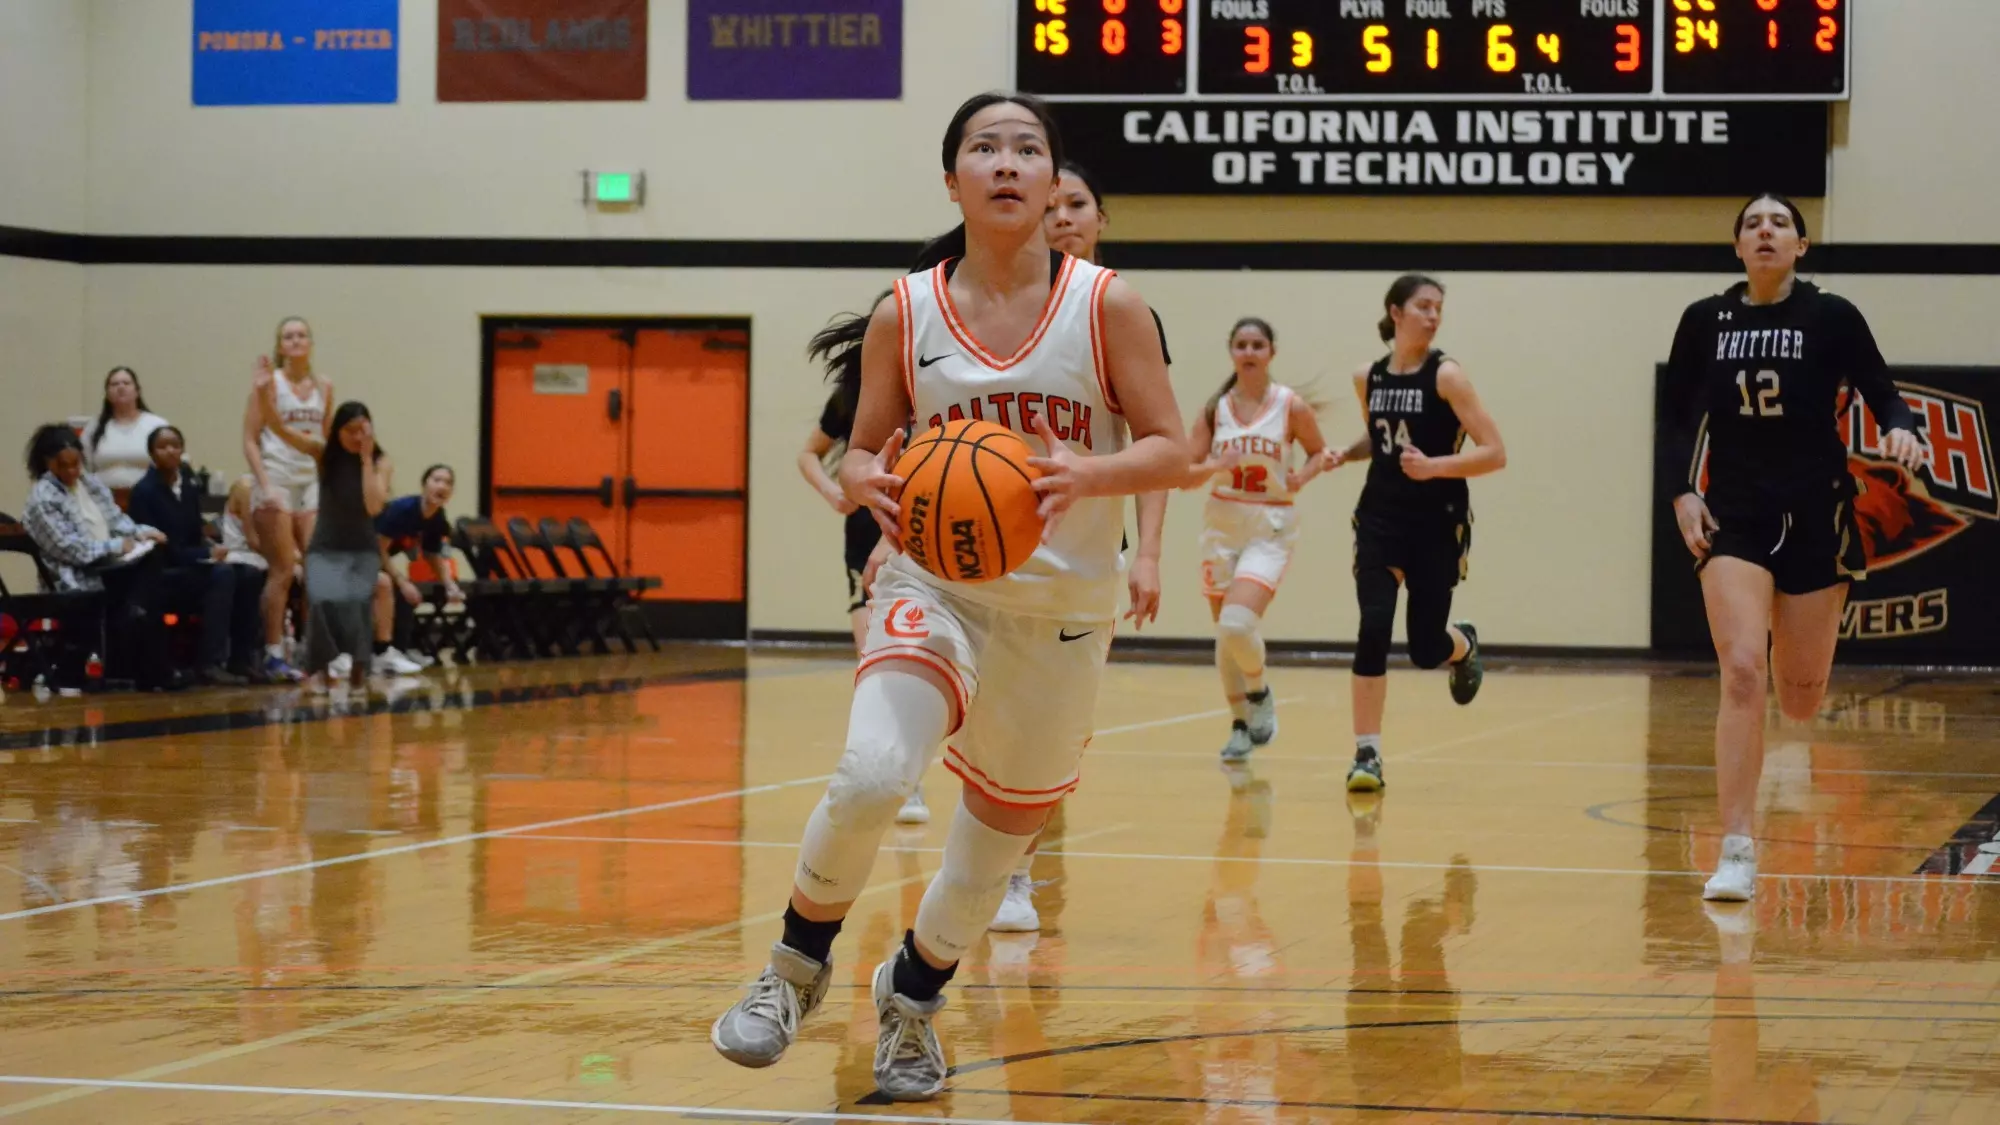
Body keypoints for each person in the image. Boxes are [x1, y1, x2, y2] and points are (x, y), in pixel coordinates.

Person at [709, 91, 1188, 1102]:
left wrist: (1088, 475)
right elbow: (859, 451)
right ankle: (792, 968)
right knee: (874, 772)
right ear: (952, 180)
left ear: (1056, 183)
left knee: (983, 862)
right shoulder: (906, 308)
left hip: (1061, 612)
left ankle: (912, 996)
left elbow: (1173, 449)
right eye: (985, 148)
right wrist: (861, 481)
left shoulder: (1108, 305)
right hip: (936, 585)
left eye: (1026, 149)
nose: (1007, 164)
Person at [1663, 193, 1926, 902]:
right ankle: (1738, 848)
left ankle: (1798, 676)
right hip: (1736, 516)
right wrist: (1683, 492)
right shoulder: (1705, 321)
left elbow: (1883, 393)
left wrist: (1903, 430)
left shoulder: (1831, 315)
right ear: (1738, 248)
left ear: (1801, 246)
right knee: (1744, 671)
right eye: (1753, 223)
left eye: (1780, 222)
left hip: (1816, 514)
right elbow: (1678, 418)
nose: (1766, 230)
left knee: (1801, 697)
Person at [970, 159, 1175, 934]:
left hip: (1079, 556)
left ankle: (1016, 875)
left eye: (1076, 204)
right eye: (1049, 206)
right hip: (981, 542)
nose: (1060, 218)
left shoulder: (1122, 312)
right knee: (986, 720)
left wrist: (1149, 552)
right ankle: (989, 865)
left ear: (1100, 218)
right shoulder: (992, 300)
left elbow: (1157, 445)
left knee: (1041, 728)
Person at [1339, 274, 1507, 793]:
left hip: (1436, 522)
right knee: (1373, 626)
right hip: (1381, 518)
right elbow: (1383, 437)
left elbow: (1494, 452)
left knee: (1424, 649)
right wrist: (1345, 453)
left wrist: (1434, 467)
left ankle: (1462, 645)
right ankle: (1367, 755)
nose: (1433, 316)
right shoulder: (1368, 376)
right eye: (1423, 307)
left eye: (1439, 308)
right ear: (1396, 312)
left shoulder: (1447, 376)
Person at [1175, 317, 1336, 762]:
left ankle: (1260, 692)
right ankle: (1240, 725)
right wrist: (1213, 465)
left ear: (1271, 353)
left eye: (1257, 345)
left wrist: (1300, 476)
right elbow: (1186, 474)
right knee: (1226, 636)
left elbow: (1319, 451)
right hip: (1222, 521)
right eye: (1242, 345)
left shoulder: (1290, 405)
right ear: (1232, 353)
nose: (1249, 352)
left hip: (1271, 523)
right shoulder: (1215, 409)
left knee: (1237, 624)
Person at [799, 301, 934, 828]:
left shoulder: (942, 386)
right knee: (873, 655)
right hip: (865, 535)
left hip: (924, 535)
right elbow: (808, 453)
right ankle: (905, 780)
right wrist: (835, 492)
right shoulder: (854, 396)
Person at [255, 383, 391, 694]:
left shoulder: (382, 462)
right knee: (321, 603)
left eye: (363, 431)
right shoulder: (321, 453)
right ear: (339, 430)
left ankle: (359, 667)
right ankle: (320, 669)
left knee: (357, 606)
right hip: (326, 542)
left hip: (361, 544)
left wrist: (367, 460)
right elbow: (280, 429)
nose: (357, 437)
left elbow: (373, 505)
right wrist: (264, 394)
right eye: (350, 430)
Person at [20, 423, 172, 688]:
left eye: (75, 464)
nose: (71, 471)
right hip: (76, 576)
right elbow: (69, 549)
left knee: (153, 555)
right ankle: (149, 662)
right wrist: (115, 547)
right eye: (62, 465)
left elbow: (118, 521)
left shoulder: (89, 483)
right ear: (47, 462)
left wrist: (145, 532)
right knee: (144, 591)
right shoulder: (42, 499)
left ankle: (138, 639)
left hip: (110, 567)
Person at [242, 317, 330, 683]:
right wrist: (266, 485)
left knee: (316, 568)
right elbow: (250, 438)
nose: (295, 340)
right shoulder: (268, 384)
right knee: (281, 569)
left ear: (311, 342)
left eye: (301, 334)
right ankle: (274, 651)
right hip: (276, 476)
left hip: (310, 478)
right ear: (280, 346)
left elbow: (323, 442)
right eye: (287, 336)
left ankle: (313, 650)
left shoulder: (325, 386)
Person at [125, 425, 246, 685]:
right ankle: (208, 662)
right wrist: (205, 553)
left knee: (249, 574)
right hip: (163, 572)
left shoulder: (189, 486)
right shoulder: (144, 492)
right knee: (222, 576)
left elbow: (194, 529)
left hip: (192, 563)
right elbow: (161, 547)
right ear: (151, 453)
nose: (170, 451)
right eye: (162, 446)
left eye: (175, 445)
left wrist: (212, 542)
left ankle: (243, 659)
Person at [373, 462, 461, 673]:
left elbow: (432, 555)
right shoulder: (403, 510)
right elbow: (377, 549)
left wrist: (450, 585)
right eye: (437, 480)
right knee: (401, 592)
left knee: (408, 594)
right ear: (424, 485)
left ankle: (399, 650)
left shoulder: (437, 518)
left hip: (378, 561)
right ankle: (384, 652)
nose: (442, 486)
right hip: (359, 554)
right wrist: (401, 581)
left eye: (448, 482)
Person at [81, 367, 171, 504]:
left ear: (137, 391)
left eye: (126, 383)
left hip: (149, 499)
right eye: (114, 384)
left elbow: (170, 465)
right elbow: (83, 468)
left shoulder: (156, 425)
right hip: (103, 500)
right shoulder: (94, 427)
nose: (120, 387)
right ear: (107, 394)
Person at [217, 474, 271, 681]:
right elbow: (253, 540)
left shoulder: (278, 488)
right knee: (259, 575)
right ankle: (251, 656)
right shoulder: (246, 487)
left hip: (262, 555)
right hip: (242, 553)